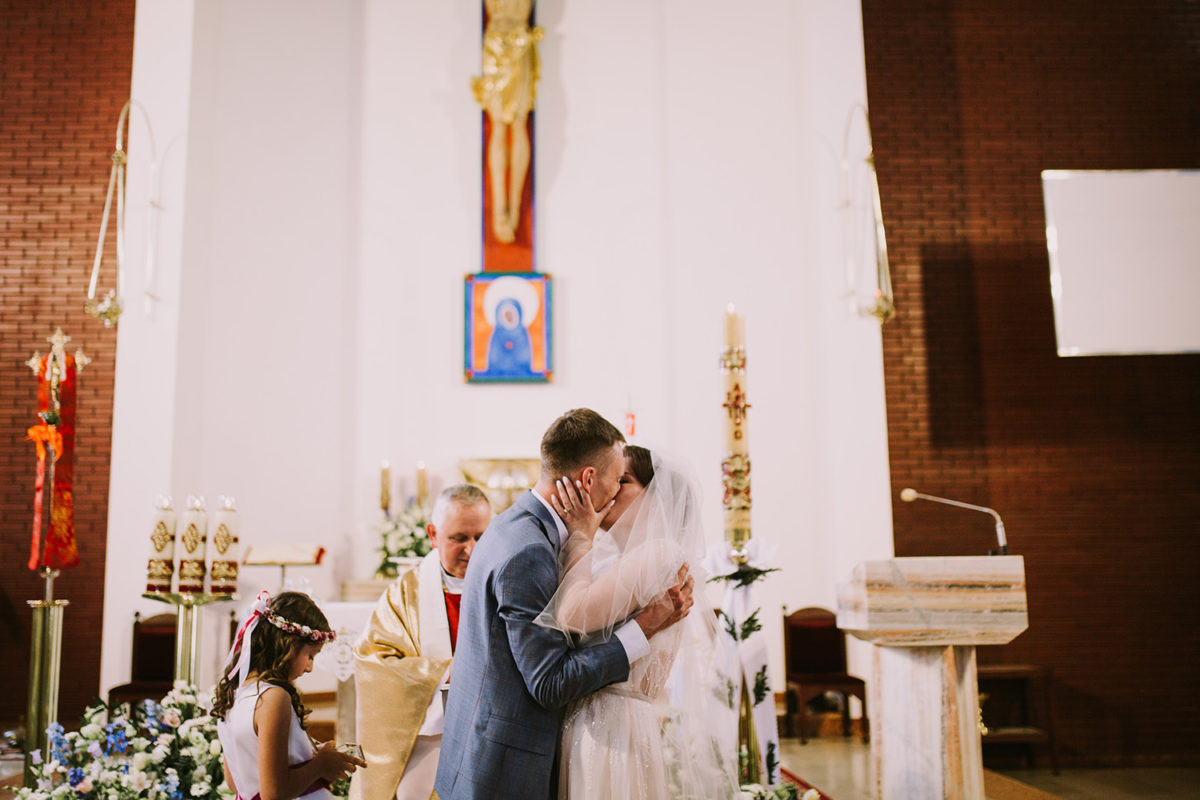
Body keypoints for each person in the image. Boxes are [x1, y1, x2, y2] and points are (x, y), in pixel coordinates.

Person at [434, 409, 695, 800]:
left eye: (626, 481)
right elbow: (550, 682)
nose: (614, 491)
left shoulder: (513, 526)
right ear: (590, 478)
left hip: (583, 742)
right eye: (616, 478)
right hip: (504, 767)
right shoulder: (531, 550)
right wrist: (645, 627)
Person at [539, 446, 741, 799]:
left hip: (612, 728)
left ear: (655, 496)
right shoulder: (625, 556)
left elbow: (573, 616)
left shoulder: (660, 552)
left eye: (624, 480)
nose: (611, 489)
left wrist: (582, 534)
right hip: (598, 720)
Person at [349, 485, 491, 800]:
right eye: (459, 538)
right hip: (428, 740)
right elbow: (373, 662)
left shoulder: (505, 585)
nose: (472, 549)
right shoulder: (404, 595)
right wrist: (442, 672)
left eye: (481, 537)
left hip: (490, 736)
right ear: (433, 534)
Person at [213, 591, 367, 800]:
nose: (310, 667)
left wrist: (305, 755)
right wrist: (321, 764)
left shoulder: (235, 694)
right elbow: (274, 794)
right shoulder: (273, 697)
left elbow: (234, 782)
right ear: (288, 644)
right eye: (310, 655)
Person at [471, 0, 543, 243]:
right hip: (502, 40)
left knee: (514, 124)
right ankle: (501, 210)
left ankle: (510, 208)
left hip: (511, 37)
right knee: (503, 125)